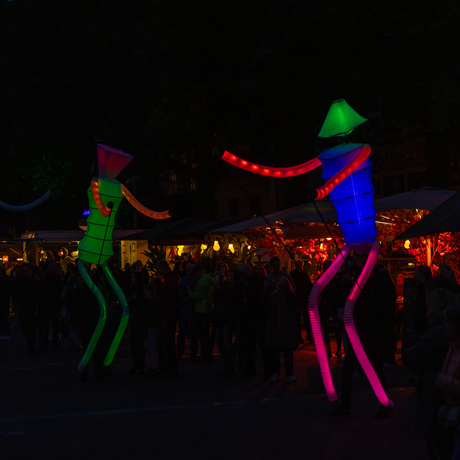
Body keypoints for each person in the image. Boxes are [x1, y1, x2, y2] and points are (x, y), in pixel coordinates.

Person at [331, 253, 391, 418]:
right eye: (356, 258)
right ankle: (345, 405)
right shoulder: (355, 276)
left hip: (368, 332)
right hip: (358, 331)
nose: (357, 260)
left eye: (361, 258)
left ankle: (384, 406)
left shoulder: (374, 275)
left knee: (375, 370)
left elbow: (377, 303)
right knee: (349, 370)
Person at [403, 288, 458, 460]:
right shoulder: (448, 339)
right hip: (445, 402)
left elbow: (409, 356)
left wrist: (436, 376)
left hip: (440, 401)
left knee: (441, 448)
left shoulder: (438, 333)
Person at [434, 303, 460, 459]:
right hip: (451, 409)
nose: (444, 326)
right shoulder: (452, 348)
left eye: (447, 322)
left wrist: (439, 379)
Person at [265, 276, 300, 383]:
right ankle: (275, 373)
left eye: (281, 281)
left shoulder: (290, 295)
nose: (278, 283)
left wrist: (285, 289)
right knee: (274, 352)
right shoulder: (272, 296)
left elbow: (293, 300)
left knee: (288, 351)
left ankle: (289, 374)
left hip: (287, 326)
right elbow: (264, 304)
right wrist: (266, 289)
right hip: (274, 326)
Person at [156, 260, 181, 377]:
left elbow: (170, 301)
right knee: (167, 342)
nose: (157, 271)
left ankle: (170, 367)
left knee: (167, 342)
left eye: (158, 268)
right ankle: (170, 367)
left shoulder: (170, 281)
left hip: (168, 316)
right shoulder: (170, 280)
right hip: (169, 315)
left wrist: (165, 317)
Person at [213, 270, 241, 376]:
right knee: (220, 342)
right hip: (221, 318)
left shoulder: (236, 289)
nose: (230, 278)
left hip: (228, 319)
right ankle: (227, 363)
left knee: (226, 343)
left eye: (232, 276)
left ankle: (229, 364)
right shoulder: (224, 289)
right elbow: (215, 298)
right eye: (229, 276)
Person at [187, 265, 214, 363]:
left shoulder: (201, 282)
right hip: (207, 310)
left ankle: (205, 355)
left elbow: (197, 296)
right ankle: (207, 354)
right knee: (206, 334)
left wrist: (189, 292)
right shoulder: (208, 280)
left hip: (201, 310)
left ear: (198, 272)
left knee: (202, 335)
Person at [290, 260, 313, 342]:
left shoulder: (304, 274)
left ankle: (308, 334)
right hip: (297, 298)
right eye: (297, 264)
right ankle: (299, 336)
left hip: (305, 298)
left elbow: (309, 285)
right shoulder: (292, 274)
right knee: (297, 318)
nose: (299, 266)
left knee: (307, 317)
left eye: (300, 264)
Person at [177, 264, 197, 360]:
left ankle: (193, 354)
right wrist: (187, 293)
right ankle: (180, 353)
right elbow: (179, 293)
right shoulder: (182, 282)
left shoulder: (196, 281)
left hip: (193, 309)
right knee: (182, 332)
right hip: (185, 309)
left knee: (193, 333)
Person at [143, 282, 162, 377]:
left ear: (150, 291)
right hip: (156, 325)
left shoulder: (150, 302)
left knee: (152, 347)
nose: (144, 293)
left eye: (145, 291)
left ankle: (155, 366)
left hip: (152, 326)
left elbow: (149, 315)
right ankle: (157, 364)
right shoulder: (156, 300)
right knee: (156, 346)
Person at [0, 268, 11, 339]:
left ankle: (5, 333)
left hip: (4, 301)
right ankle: (4, 333)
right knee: (3, 319)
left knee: (3, 318)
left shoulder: (6, 281)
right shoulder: (6, 281)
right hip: (4, 301)